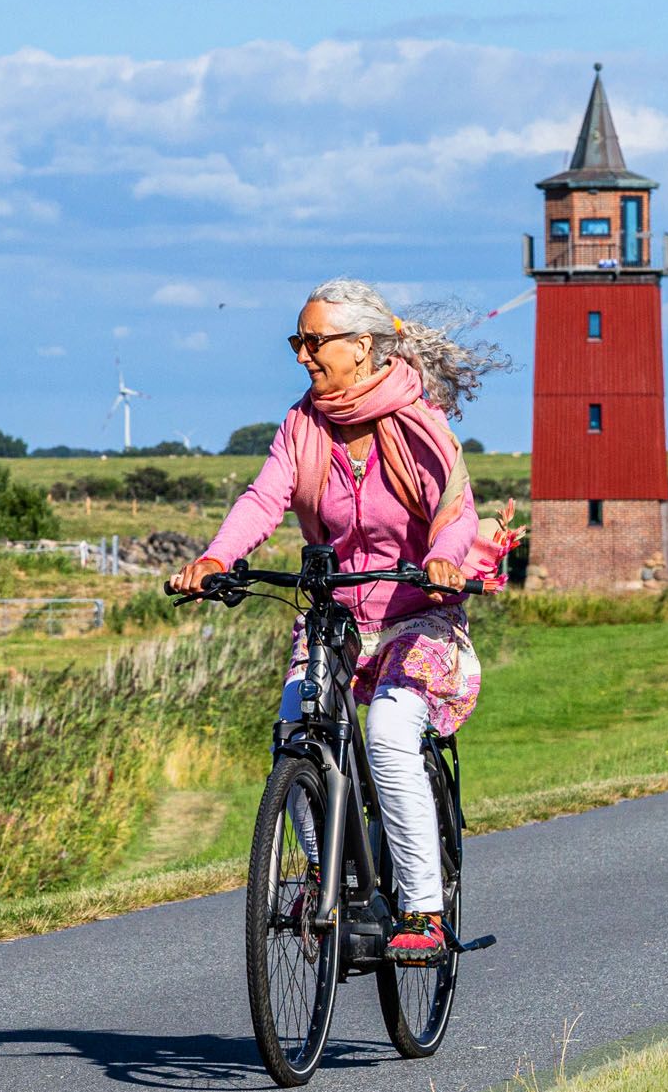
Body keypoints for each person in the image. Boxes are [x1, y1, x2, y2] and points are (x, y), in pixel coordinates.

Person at [171, 278, 497, 963]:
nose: (302, 356)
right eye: (298, 341)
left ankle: (423, 910)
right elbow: (265, 498)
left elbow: (456, 509)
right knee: (295, 727)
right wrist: (215, 557)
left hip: (417, 616)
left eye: (314, 341)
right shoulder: (302, 425)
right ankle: (322, 872)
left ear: (364, 345)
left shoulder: (418, 423)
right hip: (335, 618)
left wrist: (441, 559)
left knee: (386, 731)